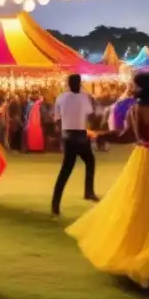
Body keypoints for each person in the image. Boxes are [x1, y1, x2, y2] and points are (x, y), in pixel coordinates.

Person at [66, 73, 149, 287]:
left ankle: (139, 255)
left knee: (140, 207)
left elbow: (128, 136)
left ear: (142, 88)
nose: (131, 88)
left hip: (147, 160)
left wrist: (99, 134)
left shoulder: (137, 110)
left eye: (134, 85)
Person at [51, 74, 100, 216]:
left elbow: (57, 118)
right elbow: (91, 114)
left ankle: (56, 204)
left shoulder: (61, 97)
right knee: (88, 161)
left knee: (67, 170)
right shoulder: (85, 97)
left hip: (69, 135)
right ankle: (88, 191)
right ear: (80, 83)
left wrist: (62, 131)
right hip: (80, 135)